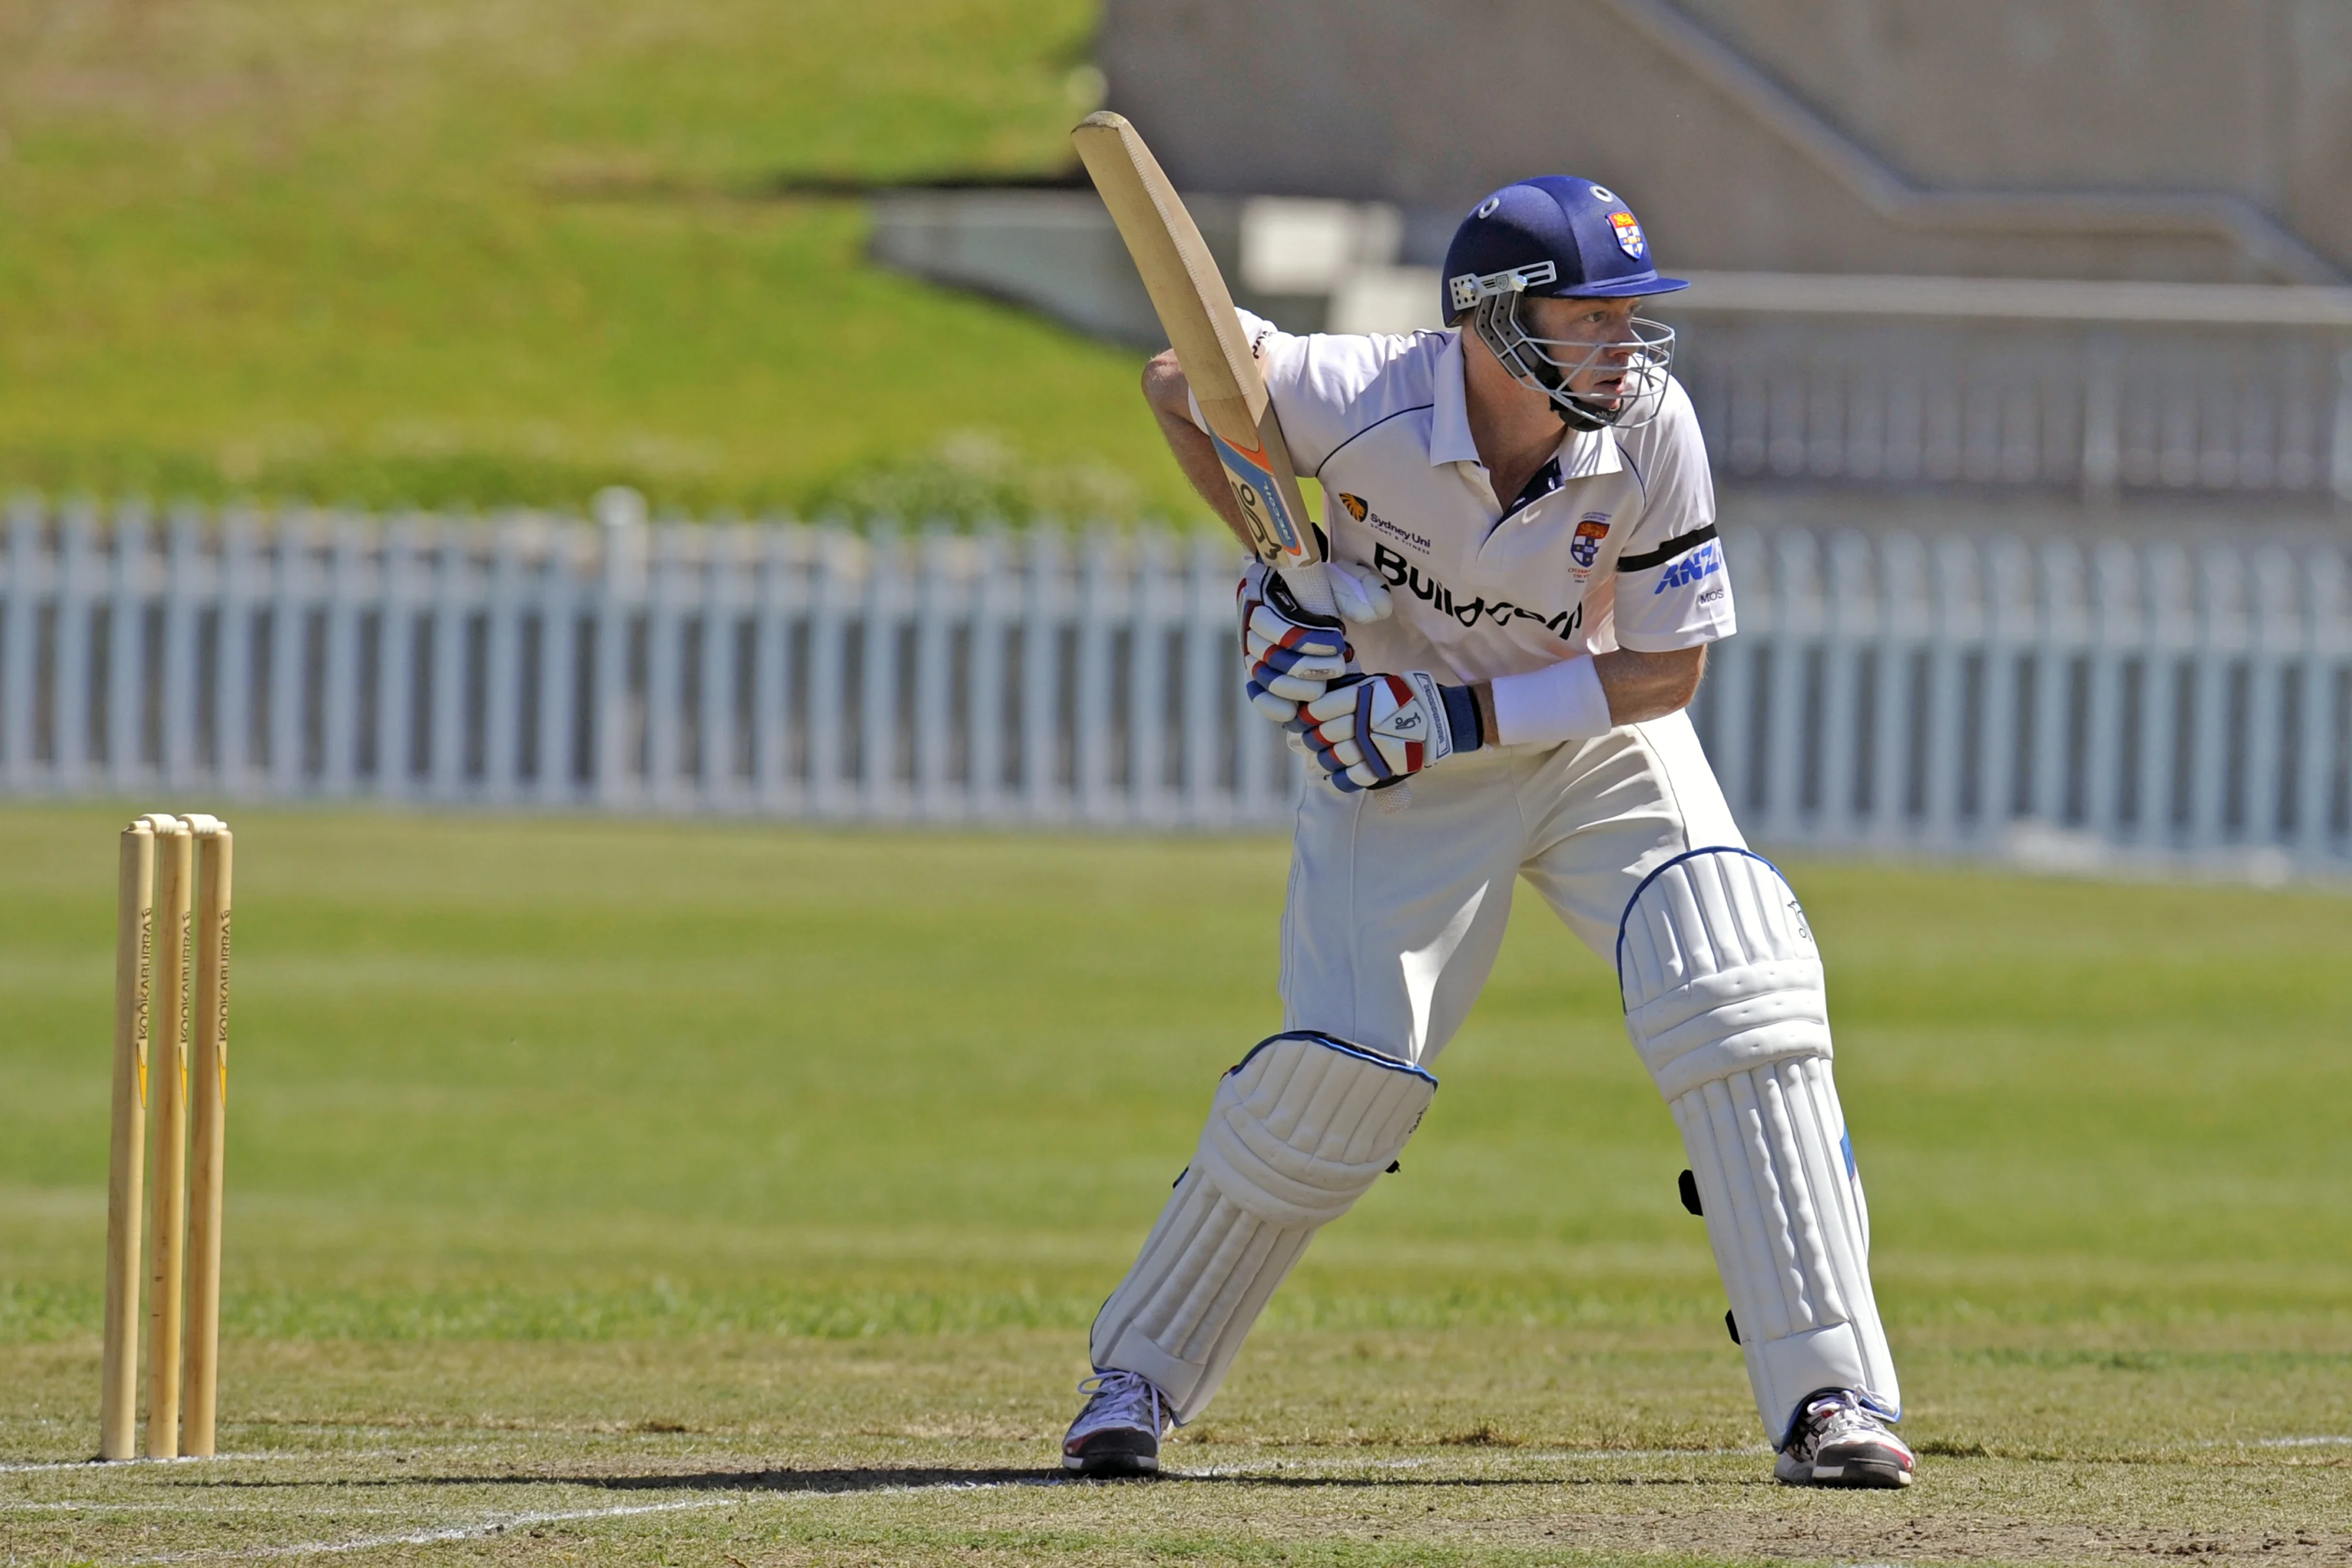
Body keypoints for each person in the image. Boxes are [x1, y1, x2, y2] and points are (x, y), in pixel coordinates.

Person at [1059, 177, 1914, 1490]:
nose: (1624, 344)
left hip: (1588, 735)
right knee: (1339, 1077)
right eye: (1593, 316)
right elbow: (1181, 381)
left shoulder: (1653, 425)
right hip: (1396, 767)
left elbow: (1665, 672)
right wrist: (1284, 563)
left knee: (1739, 987)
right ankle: (1138, 1380)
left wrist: (1457, 714)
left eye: (1630, 315)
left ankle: (1831, 1398)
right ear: (1498, 321)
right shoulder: (1361, 393)